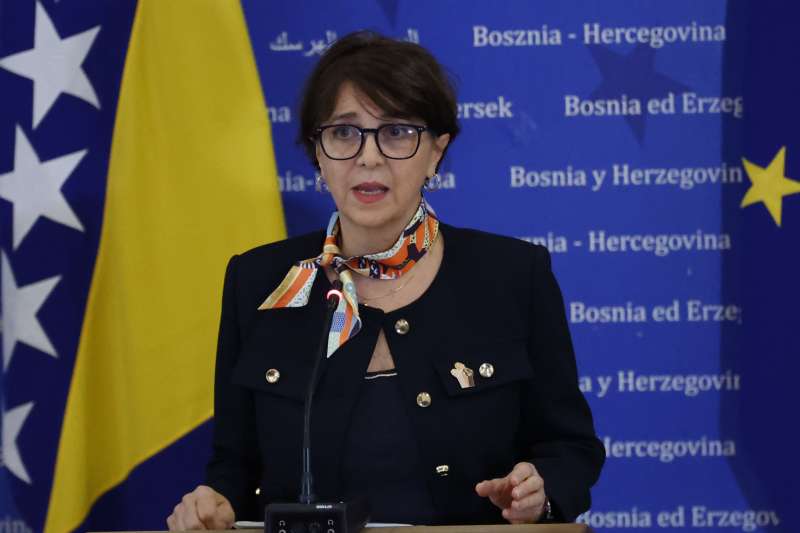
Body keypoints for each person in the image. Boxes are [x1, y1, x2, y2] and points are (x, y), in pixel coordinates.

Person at [167, 30, 604, 530]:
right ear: (317, 153)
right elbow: (234, 462)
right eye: (344, 132)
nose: (368, 157)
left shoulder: (512, 276)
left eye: (396, 131)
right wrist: (216, 502)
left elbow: (570, 448)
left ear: (436, 151)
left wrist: (539, 492)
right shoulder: (259, 282)